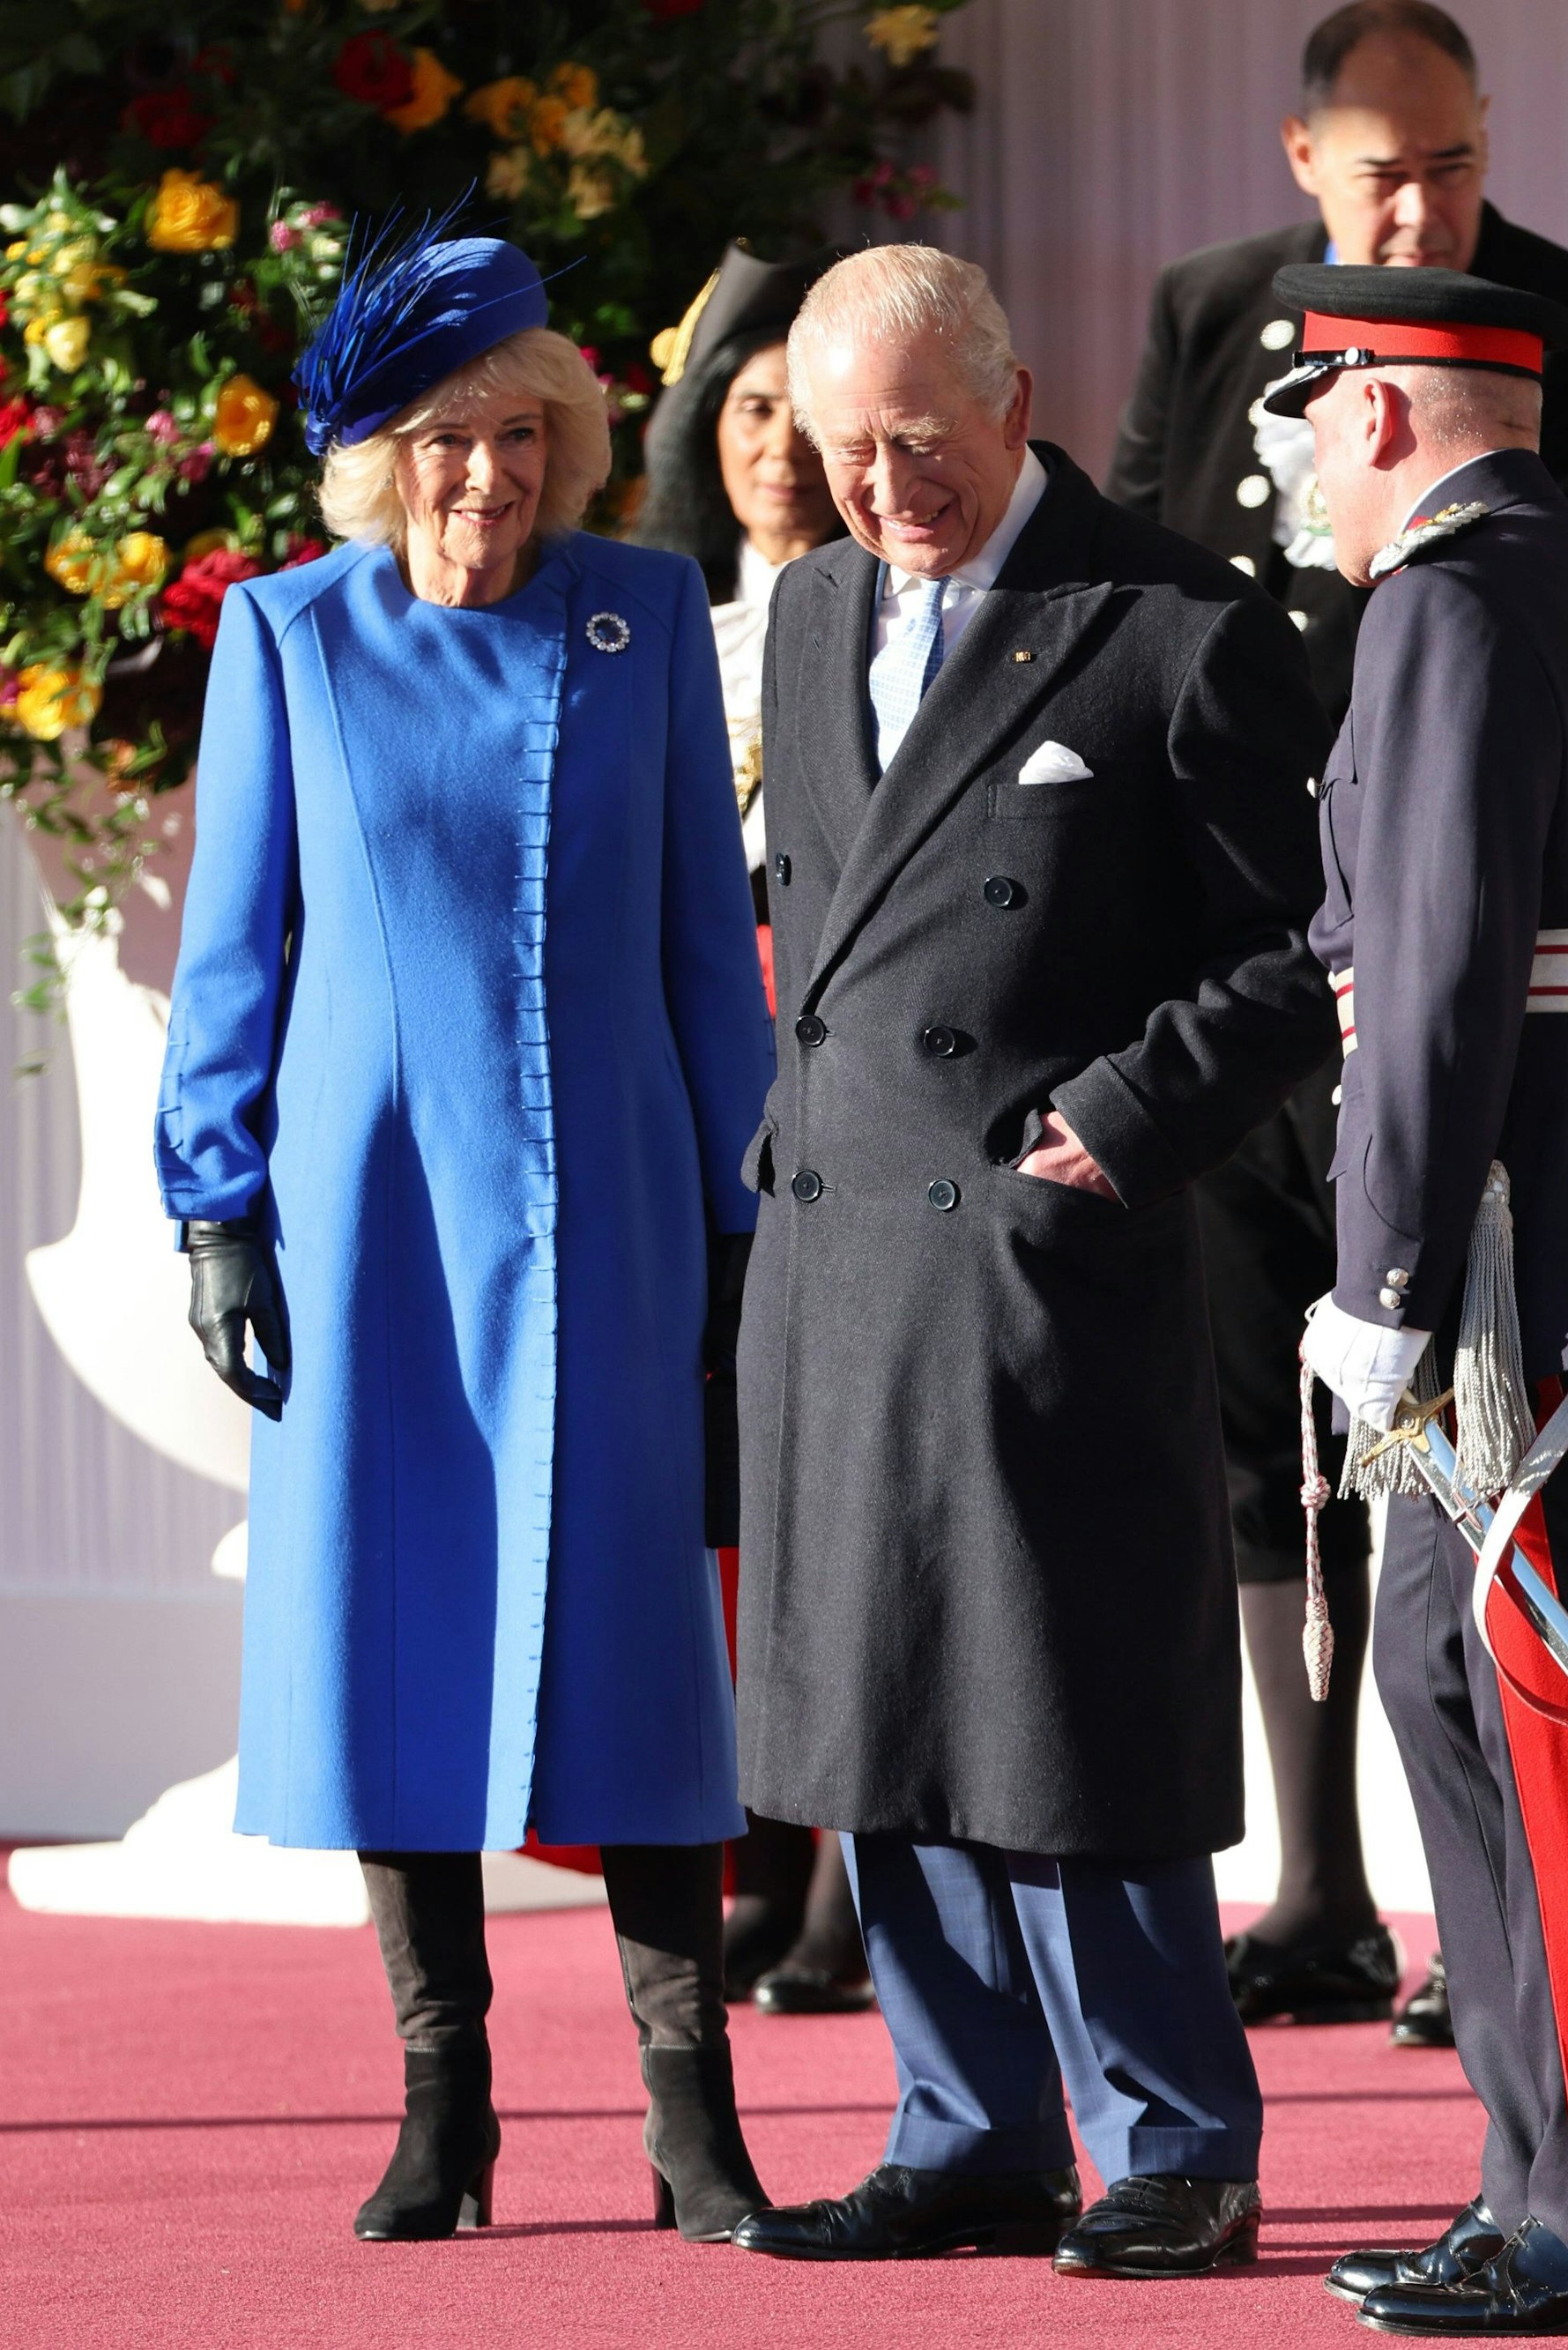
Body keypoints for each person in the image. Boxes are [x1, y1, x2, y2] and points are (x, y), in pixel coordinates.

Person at [154, 225, 777, 2245]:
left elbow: (708, 950)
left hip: (612, 1203)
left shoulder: (647, 613)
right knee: (401, 1642)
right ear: (371, 460)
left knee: (641, 1652)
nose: (488, 480)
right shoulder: (288, 637)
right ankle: (449, 2106)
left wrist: (744, 1203)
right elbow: (230, 948)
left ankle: (696, 2114)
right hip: (366, 1223)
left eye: (523, 438)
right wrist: (216, 1209)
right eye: (444, 443)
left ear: (575, 446)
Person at [728, 244, 1336, 2280]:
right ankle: (968, 2124)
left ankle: (1173, 2136)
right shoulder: (812, 612)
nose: (884, 482)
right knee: (876, 1707)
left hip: (1035, 1250)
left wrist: (1126, 1122)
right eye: (841, 449)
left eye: (917, 435)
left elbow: (1304, 943)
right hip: (833, 1251)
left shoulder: (1170, 624)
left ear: (1012, 393)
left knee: (1058, 1701)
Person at [1106, 0, 1568, 2049]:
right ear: (1296, 158)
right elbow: (1168, 603)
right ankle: (1319, 1881)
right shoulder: (1210, 312)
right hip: (1270, 926)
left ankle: (1542, 2063)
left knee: (1481, 1547)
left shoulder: (1551, 377)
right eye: (1375, 170)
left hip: (1458, 982)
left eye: (1449, 161)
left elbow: (1543, 718)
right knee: (1278, 1436)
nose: (1420, 201)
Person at [1285, 262, 1568, 2333]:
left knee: (1522, 1713)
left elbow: (1439, 976)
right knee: (1476, 1692)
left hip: (1493, 1272)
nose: (1290, 461)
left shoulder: (1447, 602)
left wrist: (1380, 1272)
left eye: (1305, 416)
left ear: (1380, 410)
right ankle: (1544, 2182)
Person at [634, 244, 873, 2018]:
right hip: (694, 1108)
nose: (781, 443)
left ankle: (868, 1875)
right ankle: (765, 1851)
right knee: (740, 1500)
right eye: (752, 403)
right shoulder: (645, 619)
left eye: (812, 406)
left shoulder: (896, 614)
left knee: (854, 1486)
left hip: (856, 1095)